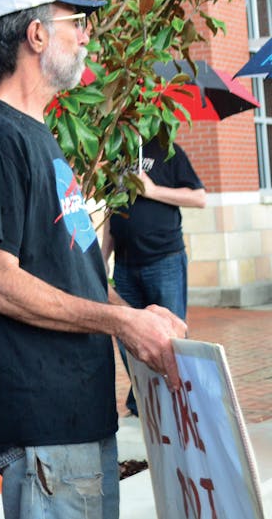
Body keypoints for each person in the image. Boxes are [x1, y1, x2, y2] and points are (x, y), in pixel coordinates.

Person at [0, 0, 189, 519]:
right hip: (42, 424)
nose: (85, 36)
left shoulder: (38, 136)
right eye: (75, 22)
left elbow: (80, 273)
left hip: (78, 417)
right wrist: (122, 325)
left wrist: (138, 316)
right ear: (35, 35)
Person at [102, 133, 206, 416]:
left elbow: (199, 197)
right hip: (124, 265)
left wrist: (151, 190)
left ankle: (183, 399)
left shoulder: (168, 151)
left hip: (165, 261)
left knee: (171, 337)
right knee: (127, 336)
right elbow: (112, 211)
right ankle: (144, 399)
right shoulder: (116, 153)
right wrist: (103, 255)